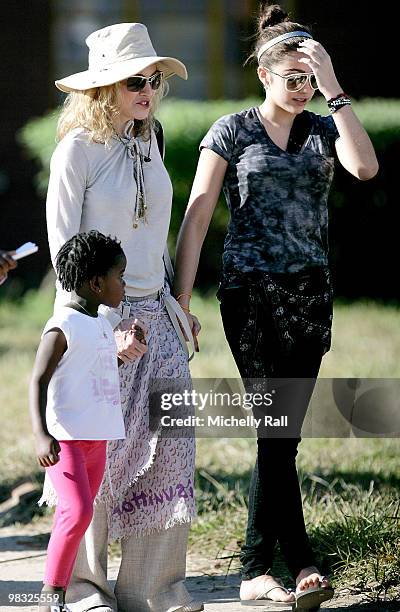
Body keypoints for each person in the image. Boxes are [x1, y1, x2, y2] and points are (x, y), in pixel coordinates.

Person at [174, 2, 378, 609]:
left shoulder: (322, 128)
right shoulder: (231, 130)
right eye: (292, 78)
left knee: (280, 434)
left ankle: (257, 568)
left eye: (309, 77)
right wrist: (182, 299)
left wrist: (335, 90)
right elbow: (199, 214)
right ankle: (296, 561)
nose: (302, 87)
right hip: (249, 295)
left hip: (310, 296)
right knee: (276, 426)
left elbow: (365, 168)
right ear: (264, 76)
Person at [44, 22, 201, 612]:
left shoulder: (151, 138)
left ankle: (155, 591)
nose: (149, 91)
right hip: (95, 320)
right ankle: (87, 591)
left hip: (156, 317)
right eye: (136, 80)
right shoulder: (76, 151)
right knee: (96, 461)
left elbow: (151, 238)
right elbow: (65, 253)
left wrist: (174, 306)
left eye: (155, 80)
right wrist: (98, 330)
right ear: (103, 87)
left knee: (172, 448)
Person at [30, 231, 128, 612]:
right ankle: (51, 596)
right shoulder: (62, 325)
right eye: (119, 275)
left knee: (75, 515)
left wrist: (123, 354)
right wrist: (41, 435)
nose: (123, 283)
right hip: (66, 439)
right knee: (78, 511)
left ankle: (55, 592)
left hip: (97, 438)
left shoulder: (101, 321)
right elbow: (37, 379)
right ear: (96, 282)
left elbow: (97, 366)